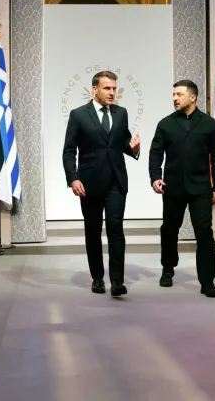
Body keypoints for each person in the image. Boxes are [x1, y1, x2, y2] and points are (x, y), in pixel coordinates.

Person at [62, 71, 140, 297]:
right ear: (94, 89)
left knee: (116, 229)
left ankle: (117, 281)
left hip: (116, 181)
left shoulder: (121, 113)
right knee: (93, 231)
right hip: (89, 183)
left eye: (114, 88)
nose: (112, 92)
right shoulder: (78, 115)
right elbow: (69, 151)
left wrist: (133, 148)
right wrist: (73, 178)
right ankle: (97, 277)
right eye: (107, 88)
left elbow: (122, 143)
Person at [149, 79, 215, 298]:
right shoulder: (165, 124)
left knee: (204, 232)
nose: (175, 98)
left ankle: (207, 281)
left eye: (179, 94)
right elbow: (156, 153)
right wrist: (155, 177)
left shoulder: (209, 124)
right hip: (172, 187)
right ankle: (168, 268)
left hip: (201, 188)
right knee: (169, 230)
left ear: (193, 97)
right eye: (174, 94)